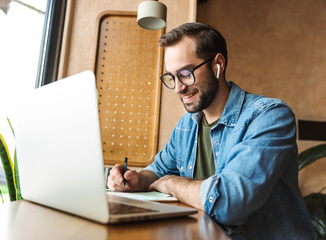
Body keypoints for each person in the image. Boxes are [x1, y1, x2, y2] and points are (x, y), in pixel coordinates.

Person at [107, 22, 314, 239]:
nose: (178, 88)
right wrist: (136, 181)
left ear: (218, 64)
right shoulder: (187, 126)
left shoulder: (269, 116)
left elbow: (229, 202)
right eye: (171, 77)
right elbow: (157, 170)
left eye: (186, 73)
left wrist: (170, 183)